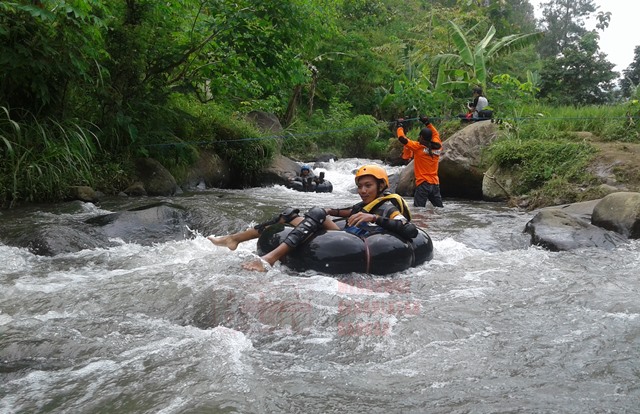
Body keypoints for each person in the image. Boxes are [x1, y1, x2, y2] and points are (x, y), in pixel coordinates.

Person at [208, 164, 418, 271]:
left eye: (368, 186)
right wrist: (329, 211)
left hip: (356, 241)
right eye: (360, 186)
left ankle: (268, 259)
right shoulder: (364, 204)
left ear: (381, 186)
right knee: (289, 213)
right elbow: (346, 212)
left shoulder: (388, 207)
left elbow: (410, 230)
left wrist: (373, 219)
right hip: (344, 234)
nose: (363, 190)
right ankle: (234, 239)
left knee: (316, 212)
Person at [396, 116, 444, 208]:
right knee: (439, 208)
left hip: (423, 184)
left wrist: (399, 125)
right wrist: (427, 123)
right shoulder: (438, 147)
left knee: (419, 210)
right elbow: (435, 133)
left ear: (421, 137)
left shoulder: (418, 147)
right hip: (435, 184)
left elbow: (402, 138)